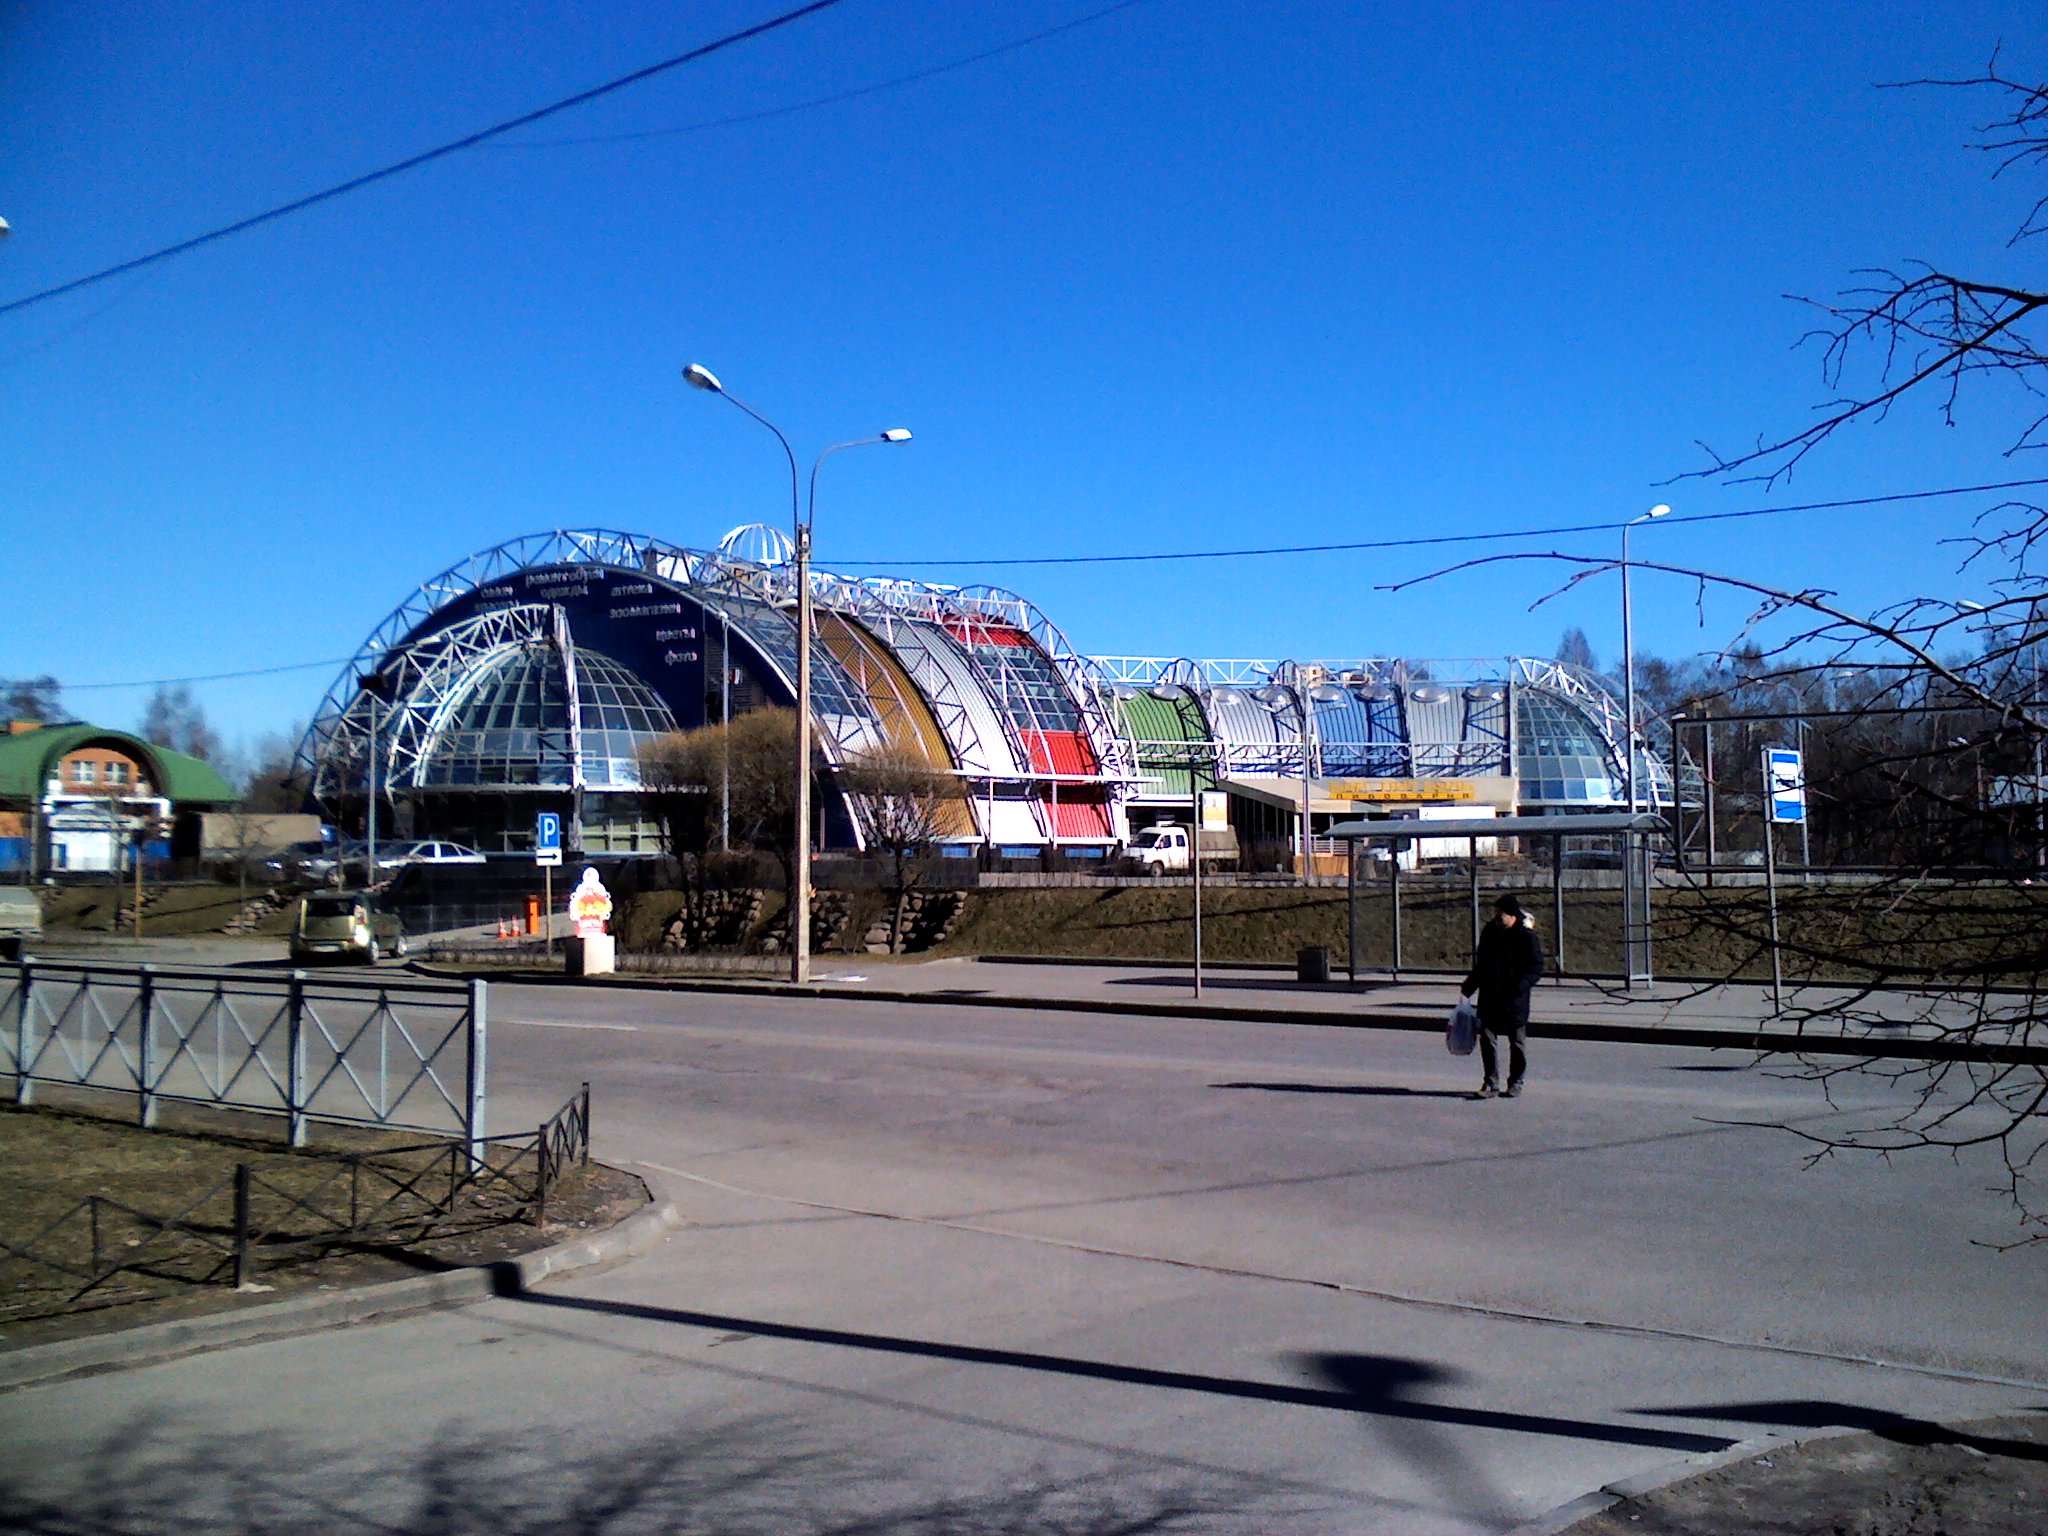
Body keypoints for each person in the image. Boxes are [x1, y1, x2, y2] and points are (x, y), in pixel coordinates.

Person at [1459, 893, 1544, 1099]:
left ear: (1513, 915)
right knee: (1487, 1039)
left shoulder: (1526, 937)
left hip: (1515, 999)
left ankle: (1515, 1082)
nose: (1498, 916)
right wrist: (1468, 988)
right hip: (1490, 996)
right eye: (1496, 912)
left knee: (1517, 1043)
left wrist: (1521, 986)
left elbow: (1536, 967)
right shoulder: (1490, 933)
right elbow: (1482, 965)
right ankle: (1490, 1082)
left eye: (1502, 913)